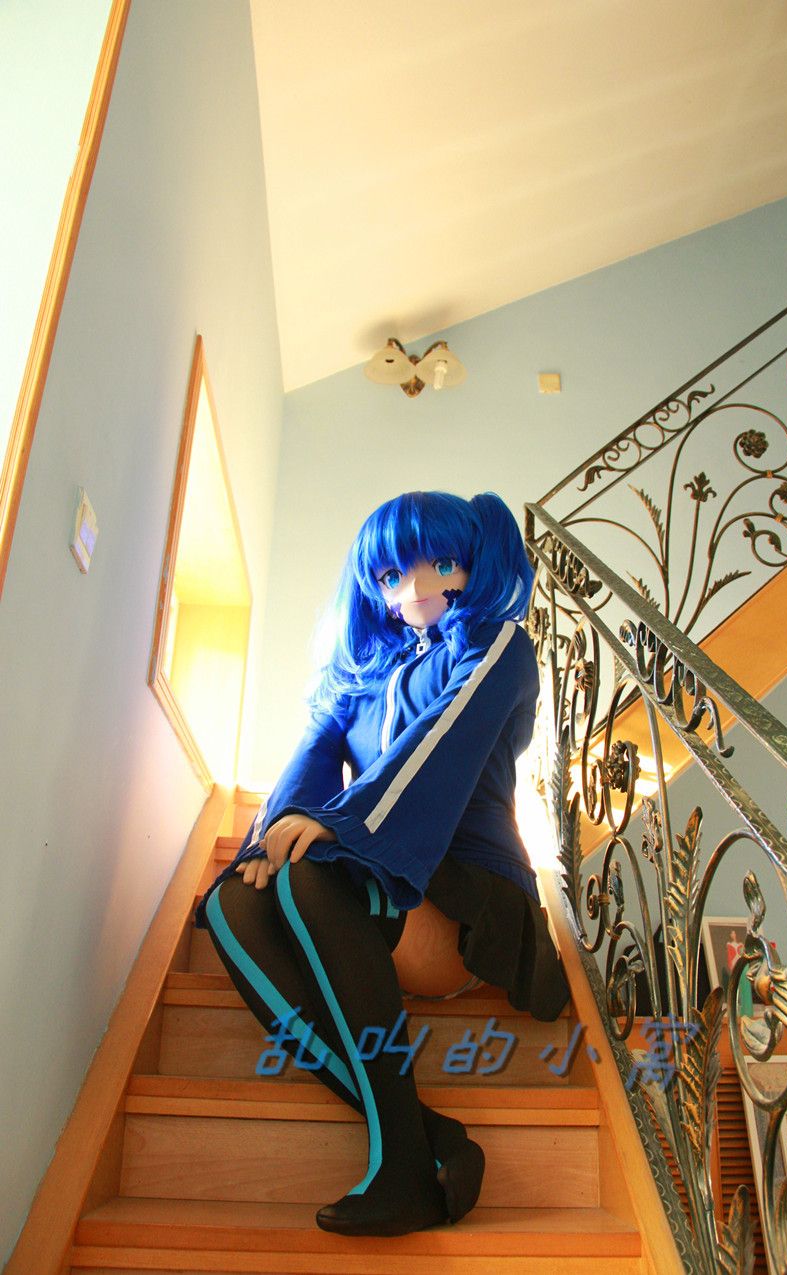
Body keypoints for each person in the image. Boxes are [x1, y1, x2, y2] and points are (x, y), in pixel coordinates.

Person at [194, 489, 571, 1237]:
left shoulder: (495, 644)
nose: (417, 585)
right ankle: (426, 1137)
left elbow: (439, 744)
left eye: (439, 564)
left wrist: (339, 826)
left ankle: (399, 1161)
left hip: (466, 896)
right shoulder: (364, 676)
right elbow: (310, 758)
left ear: (472, 564)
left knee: (314, 873)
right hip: (374, 884)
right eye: (394, 574)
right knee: (230, 903)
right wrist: (267, 840)